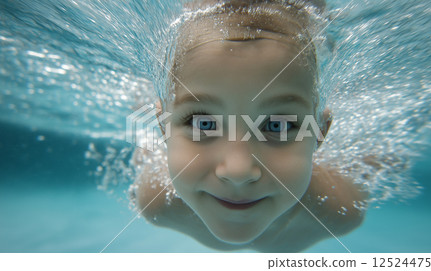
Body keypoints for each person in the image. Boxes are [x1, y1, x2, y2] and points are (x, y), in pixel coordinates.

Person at [132, 0, 367, 252]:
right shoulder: (156, 202)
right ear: (163, 128)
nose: (238, 171)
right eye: (204, 124)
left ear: (321, 132)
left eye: (277, 126)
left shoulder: (339, 210)